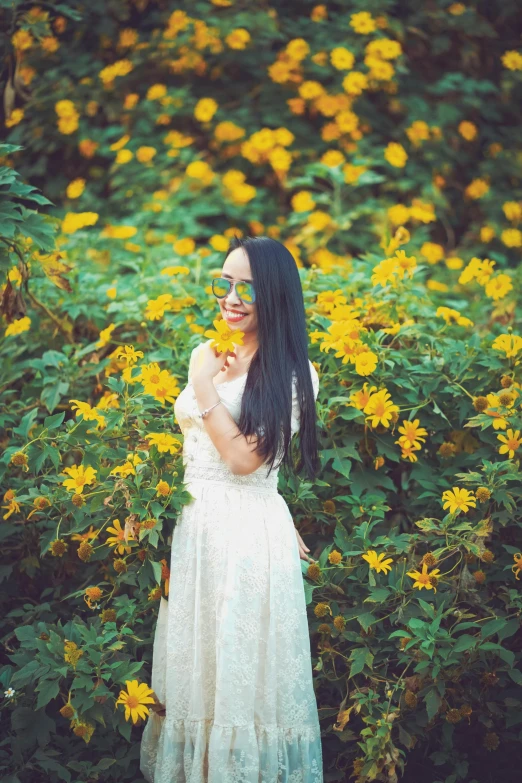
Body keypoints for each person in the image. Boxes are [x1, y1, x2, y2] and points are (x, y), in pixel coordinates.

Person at [140, 235, 324, 783]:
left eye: (248, 287)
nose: (232, 297)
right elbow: (205, 456)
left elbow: (246, 459)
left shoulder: (293, 372)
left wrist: (202, 384)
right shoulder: (216, 352)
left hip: (245, 539)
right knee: (199, 671)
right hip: (196, 530)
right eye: (225, 282)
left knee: (242, 674)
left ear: (276, 296)